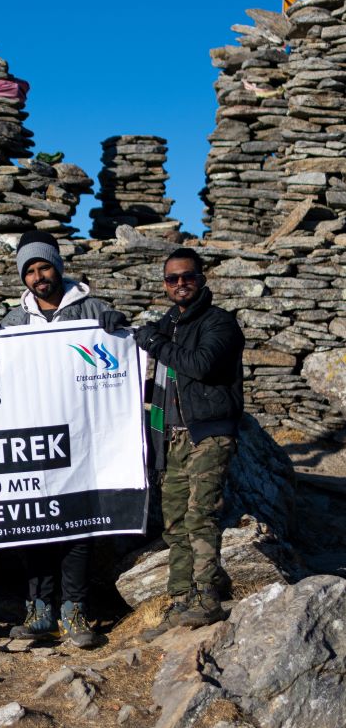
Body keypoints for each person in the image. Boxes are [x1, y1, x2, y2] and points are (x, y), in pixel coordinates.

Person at [101, 247, 244, 638]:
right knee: (176, 523)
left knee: (201, 516)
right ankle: (180, 601)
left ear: (202, 278)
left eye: (188, 276)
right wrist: (119, 327)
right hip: (172, 435)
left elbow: (199, 365)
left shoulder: (220, 324)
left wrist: (153, 341)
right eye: (172, 279)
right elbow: (140, 337)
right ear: (164, 284)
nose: (180, 284)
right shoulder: (170, 324)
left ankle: (207, 598)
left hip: (208, 433)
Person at [0, 231, 110, 649]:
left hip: (81, 436)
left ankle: (74, 609)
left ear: (58, 266)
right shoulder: (15, 321)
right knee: (35, 525)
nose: (38, 276)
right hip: (31, 441)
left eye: (44, 266)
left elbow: (120, 356)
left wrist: (117, 329)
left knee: (77, 525)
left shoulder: (93, 308)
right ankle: (39, 609)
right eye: (29, 270)